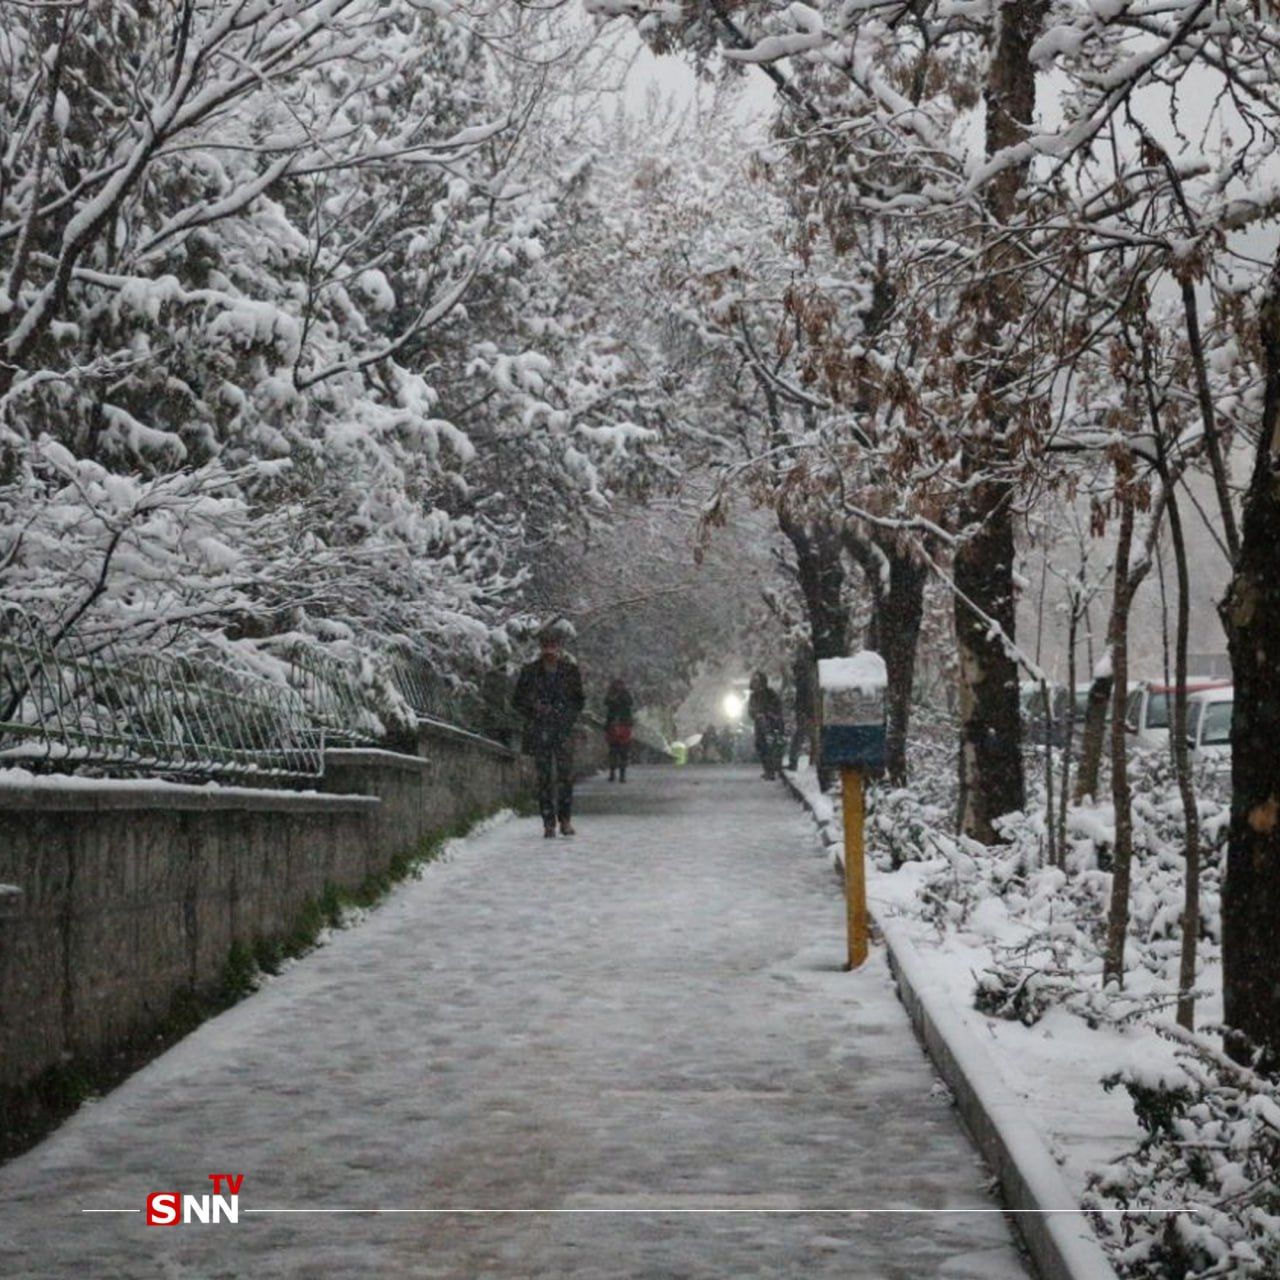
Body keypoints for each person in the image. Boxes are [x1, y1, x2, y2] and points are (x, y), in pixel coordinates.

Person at [513, 621, 585, 837]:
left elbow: (579, 700)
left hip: (562, 730)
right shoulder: (530, 672)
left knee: (565, 777)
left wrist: (566, 715)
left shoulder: (570, 672)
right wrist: (534, 709)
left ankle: (565, 820)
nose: (550, 650)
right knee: (544, 778)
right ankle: (548, 822)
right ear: (541, 648)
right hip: (540, 730)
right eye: (546, 646)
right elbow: (517, 700)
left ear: (559, 648)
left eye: (553, 646)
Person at [747, 671, 786, 781]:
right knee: (761, 747)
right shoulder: (754, 696)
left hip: (771, 724)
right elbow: (750, 711)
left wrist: (769, 714)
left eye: (757, 682)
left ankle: (771, 770)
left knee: (769, 747)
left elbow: (777, 707)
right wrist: (757, 715)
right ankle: (768, 770)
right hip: (760, 725)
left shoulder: (770, 694)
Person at [787, 644, 817, 771]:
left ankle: (795, 761)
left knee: (802, 736)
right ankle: (812, 762)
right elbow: (807, 693)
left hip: (805, 708)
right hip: (808, 709)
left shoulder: (801, 673)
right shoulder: (808, 673)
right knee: (810, 737)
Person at [604, 677, 634, 782]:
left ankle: (620, 774)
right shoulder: (612, 695)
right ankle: (614, 773)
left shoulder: (624, 695)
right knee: (615, 751)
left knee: (621, 752)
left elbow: (629, 703)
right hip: (615, 725)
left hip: (622, 725)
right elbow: (607, 702)